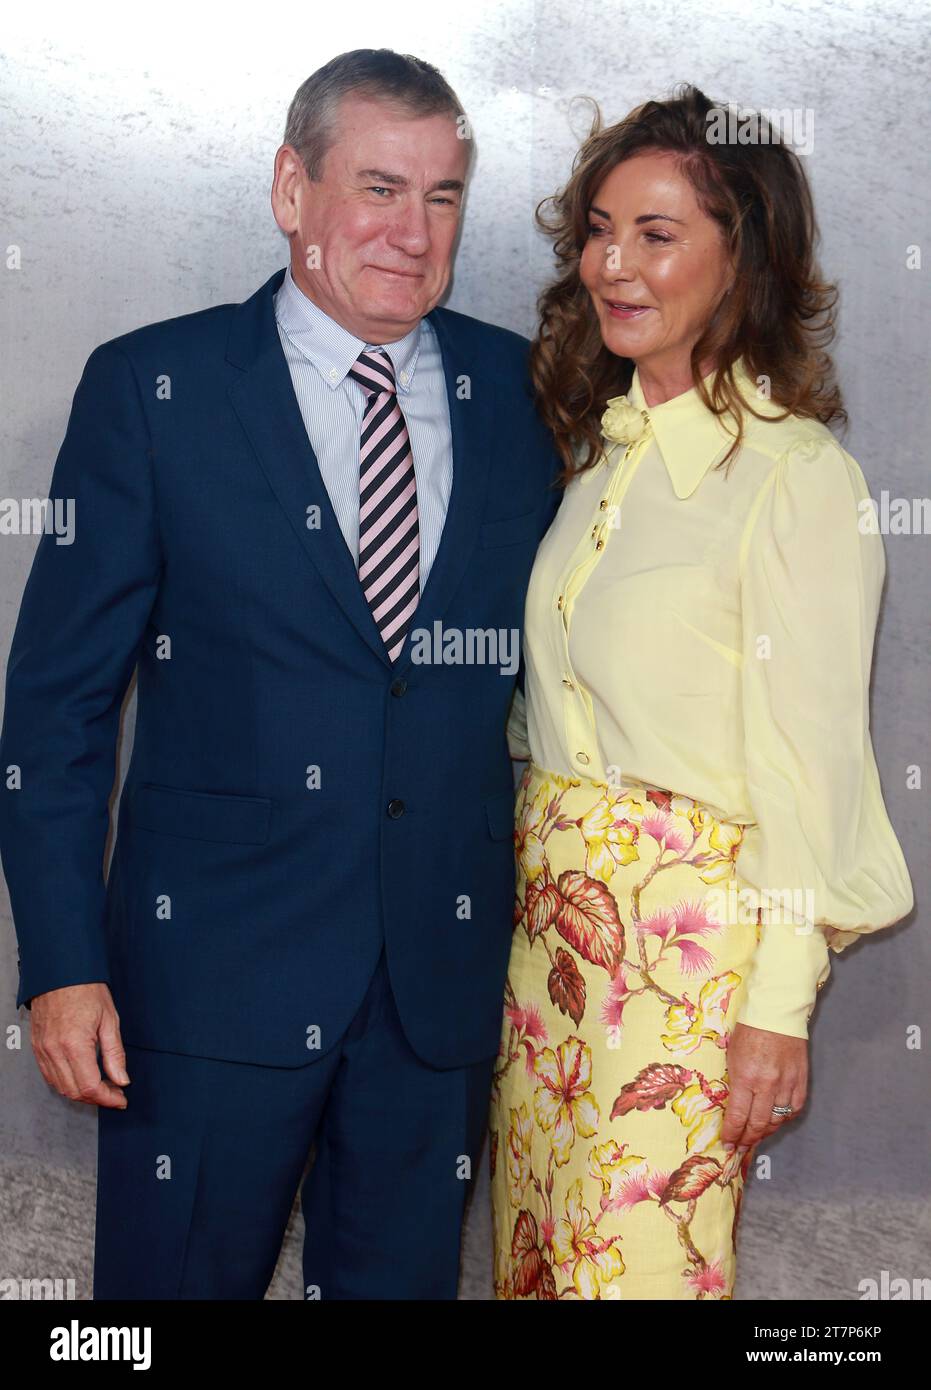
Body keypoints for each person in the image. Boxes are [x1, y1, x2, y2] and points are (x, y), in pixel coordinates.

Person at [0, 48, 561, 1299]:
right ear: (289, 190)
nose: (412, 234)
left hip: (437, 998)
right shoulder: (154, 389)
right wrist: (59, 959)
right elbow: (57, 705)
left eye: (443, 197)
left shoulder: (525, 397)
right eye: (377, 187)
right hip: (201, 988)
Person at [489, 85, 914, 1300]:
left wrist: (777, 1008)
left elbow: (810, 763)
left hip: (688, 972)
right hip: (550, 957)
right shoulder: (595, 463)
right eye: (599, 228)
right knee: (538, 1269)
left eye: (657, 234)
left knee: (632, 1277)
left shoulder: (796, 479)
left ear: (746, 255)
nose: (612, 264)